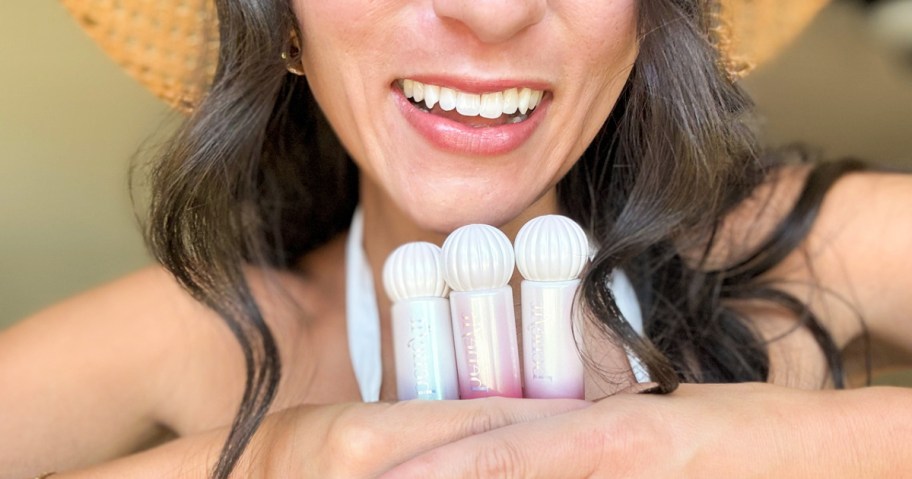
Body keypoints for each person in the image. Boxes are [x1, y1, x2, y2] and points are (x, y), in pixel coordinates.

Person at [3, 0, 911, 477]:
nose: (492, 9)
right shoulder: (198, 337)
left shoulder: (797, 250)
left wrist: (784, 449)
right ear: (280, 13)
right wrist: (264, 462)